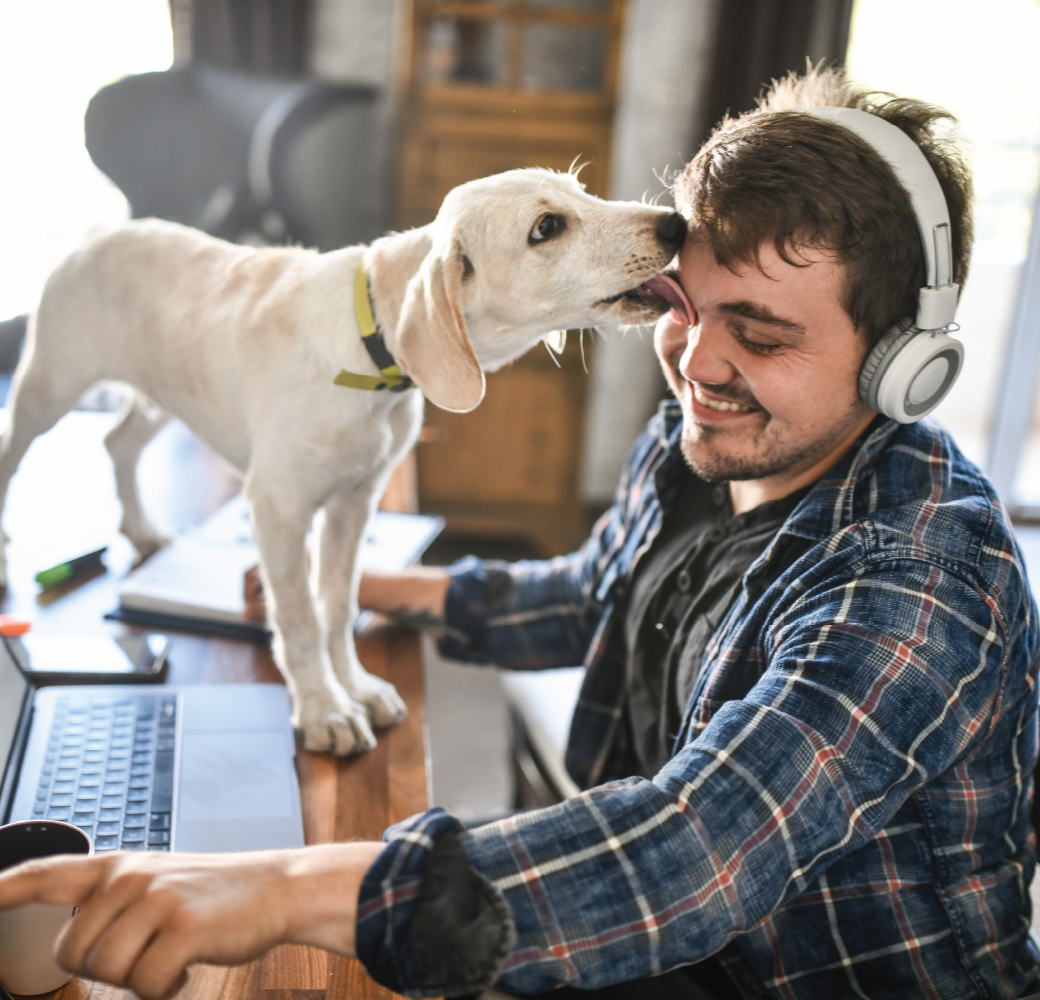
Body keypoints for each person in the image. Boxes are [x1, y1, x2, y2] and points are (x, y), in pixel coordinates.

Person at [1, 67, 1037, 1000]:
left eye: (759, 333)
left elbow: (693, 854)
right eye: (685, 305)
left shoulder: (916, 586)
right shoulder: (717, 442)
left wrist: (279, 886)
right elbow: (600, 591)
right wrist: (377, 590)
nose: (698, 365)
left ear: (904, 360)